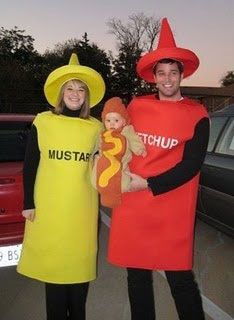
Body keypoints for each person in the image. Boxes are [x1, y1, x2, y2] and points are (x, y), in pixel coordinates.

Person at [107, 18, 209, 320]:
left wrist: (149, 183)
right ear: (154, 77)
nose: (167, 79)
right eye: (161, 73)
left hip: (171, 207)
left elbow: (191, 165)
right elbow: (118, 140)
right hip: (134, 207)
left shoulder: (197, 115)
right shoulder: (136, 106)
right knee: (136, 278)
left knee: (180, 280)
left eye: (173, 73)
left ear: (181, 75)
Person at [17, 53, 105, 320]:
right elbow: (30, 165)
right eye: (70, 88)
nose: (75, 94)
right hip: (50, 211)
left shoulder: (96, 128)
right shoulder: (43, 122)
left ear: (87, 96)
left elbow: (103, 167)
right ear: (61, 93)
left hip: (82, 212)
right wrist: (27, 204)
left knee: (79, 280)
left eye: (81, 89)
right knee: (54, 279)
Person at [91, 96, 146, 208]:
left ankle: (113, 197)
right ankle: (106, 196)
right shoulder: (103, 134)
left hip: (121, 165)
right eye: (108, 121)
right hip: (103, 164)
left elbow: (134, 140)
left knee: (122, 183)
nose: (112, 124)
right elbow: (97, 145)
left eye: (116, 120)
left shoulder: (126, 131)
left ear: (124, 122)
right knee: (96, 180)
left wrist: (140, 150)